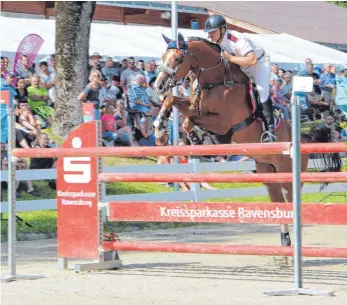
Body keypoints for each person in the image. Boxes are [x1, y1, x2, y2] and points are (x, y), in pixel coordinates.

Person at [204, 14, 275, 142]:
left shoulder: (237, 40)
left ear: (223, 30)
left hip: (259, 64)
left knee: (261, 91)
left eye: (212, 32)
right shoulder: (215, 41)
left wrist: (230, 58)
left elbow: (252, 60)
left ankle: (270, 132)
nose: (209, 35)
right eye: (208, 32)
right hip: (241, 66)